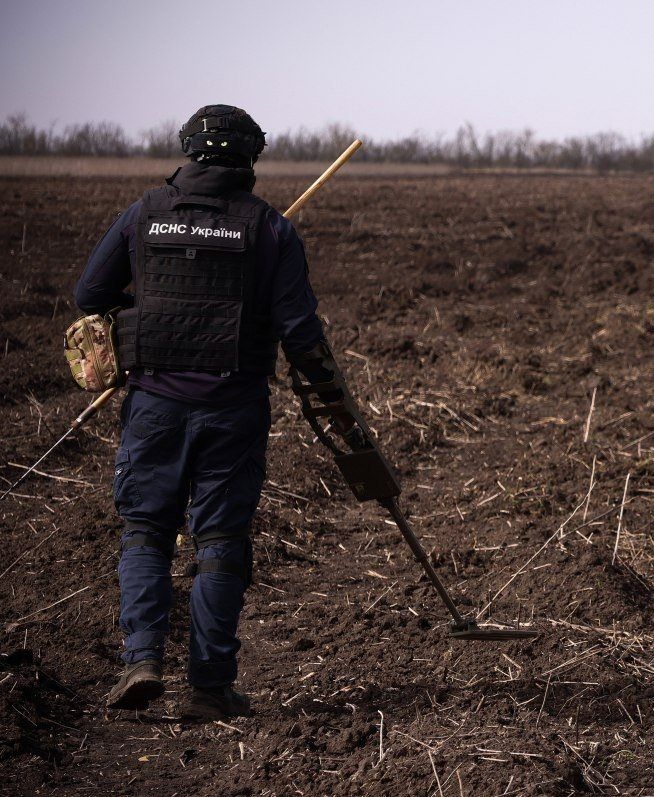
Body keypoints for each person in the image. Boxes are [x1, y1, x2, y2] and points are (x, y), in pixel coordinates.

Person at [74, 105, 348, 720]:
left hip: (153, 408)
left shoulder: (143, 214)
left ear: (188, 151)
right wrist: (332, 398)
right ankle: (209, 687)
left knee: (145, 531)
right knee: (221, 542)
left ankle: (142, 660)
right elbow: (301, 332)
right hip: (233, 410)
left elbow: (89, 295)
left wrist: (154, 307)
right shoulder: (270, 229)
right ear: (251, 157)